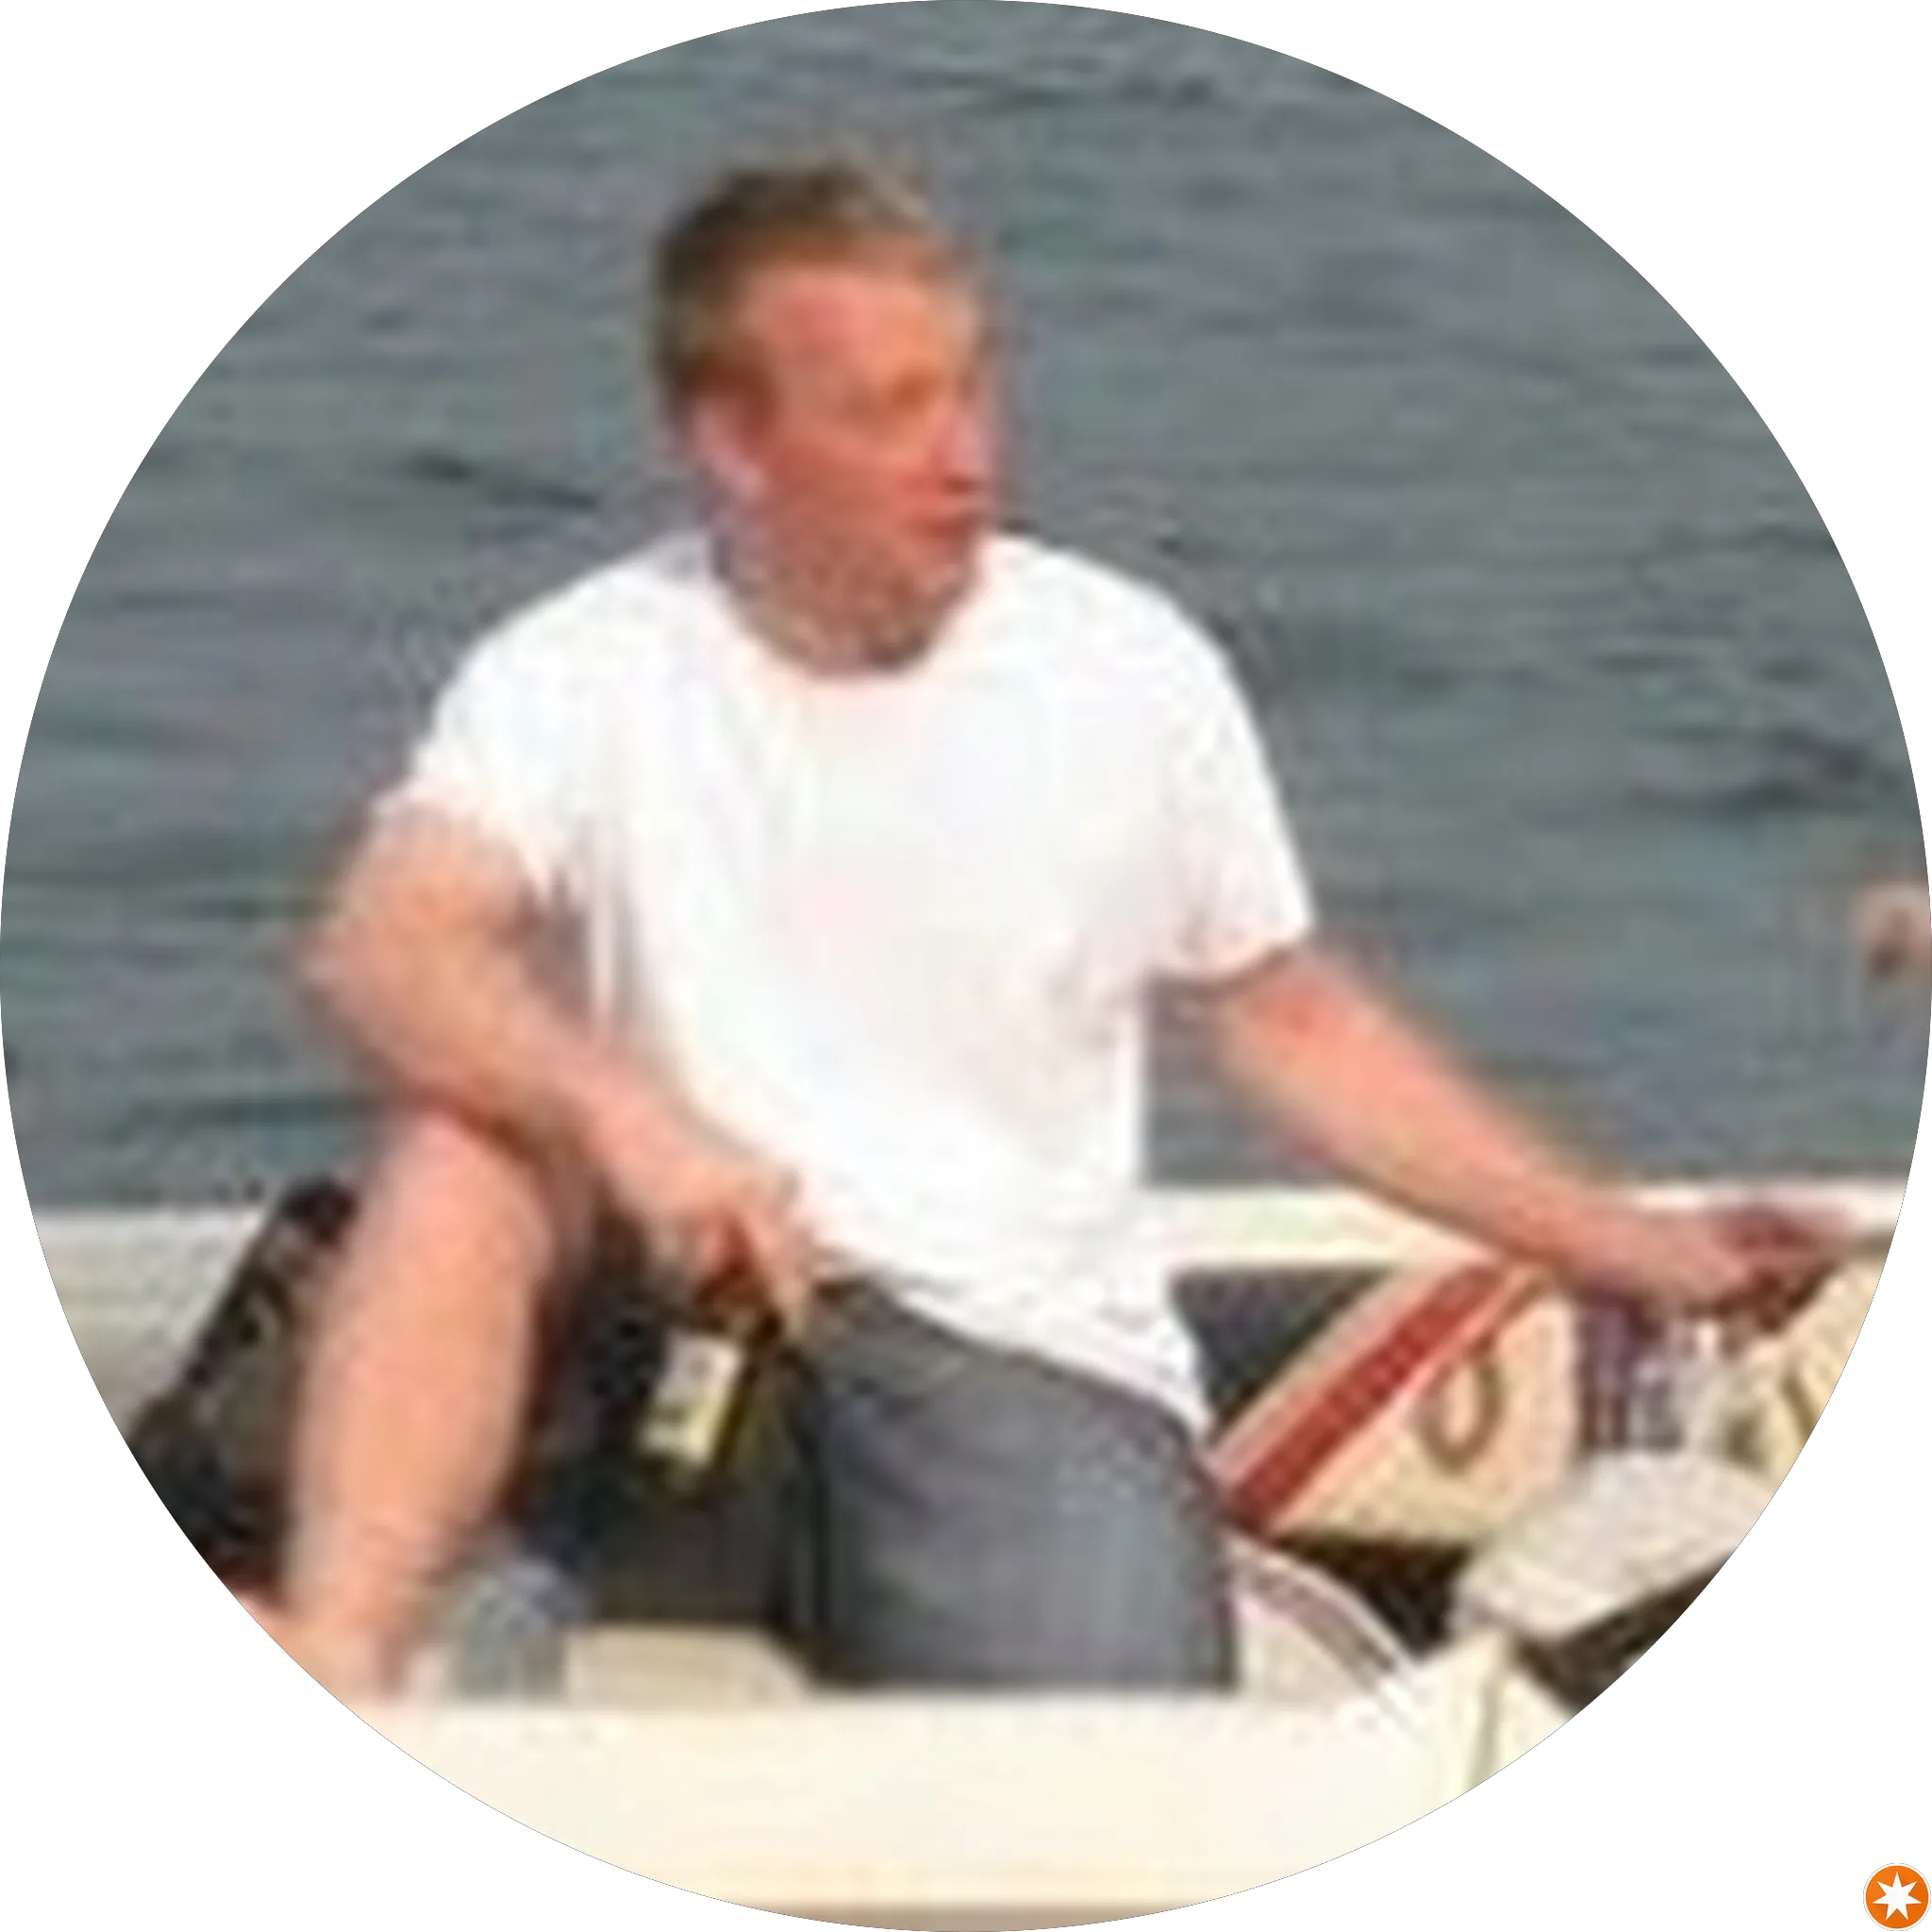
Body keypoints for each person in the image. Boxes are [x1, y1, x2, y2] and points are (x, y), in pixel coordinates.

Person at [243, 156, 1836, 1700]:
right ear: (732, 441)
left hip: (1005, 1350)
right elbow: (384, 947)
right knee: (467, 1135)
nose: (963, 457)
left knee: (1116, 1742)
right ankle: (347, 1647)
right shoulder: (579, 666)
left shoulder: (1125, 666)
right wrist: (630, 1122)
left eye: (971, 390)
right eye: (892, 410)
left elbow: (1296, 1027)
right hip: (677, 1312)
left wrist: (1650, 1254)